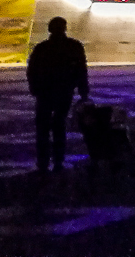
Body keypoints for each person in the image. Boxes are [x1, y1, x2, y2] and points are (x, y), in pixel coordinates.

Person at [27, 17, 88, 172]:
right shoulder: (74, 47)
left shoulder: (42, 48)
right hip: (64, 91)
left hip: (45, 92)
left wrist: (34, 88)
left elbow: (32, 70)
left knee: (43, 128)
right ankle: (58, 160)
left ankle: (43, 161)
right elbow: (81, 70)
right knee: (59, 125)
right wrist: (83, 91)